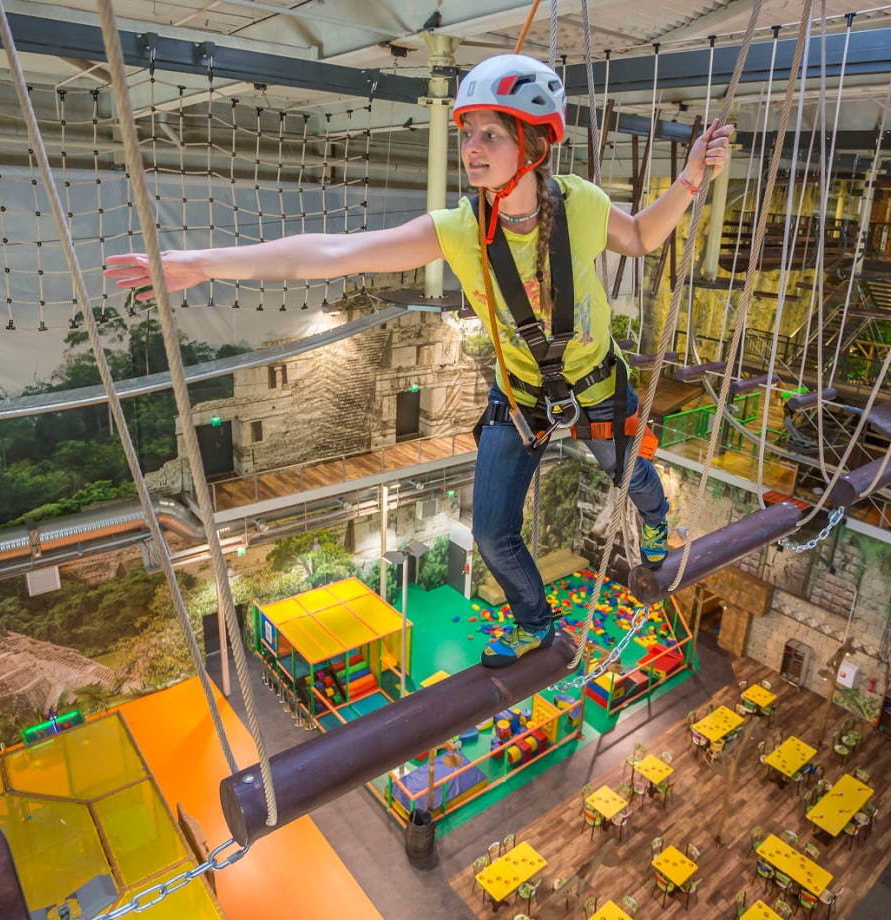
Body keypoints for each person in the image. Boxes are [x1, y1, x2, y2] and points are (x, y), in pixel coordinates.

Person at [106, 52, 732, 667]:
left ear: (534, 146)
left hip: (595, 383)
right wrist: (198, 265)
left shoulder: (584, 206)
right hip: (518, 394)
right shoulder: (458, 228)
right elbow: (330, 253)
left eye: (491, 133)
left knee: (632, 476)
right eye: (466, 133)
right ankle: (534, 621)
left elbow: (646, 236)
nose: (471, 148)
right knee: (490, 532)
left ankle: (656, 522)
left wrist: (692, 179)